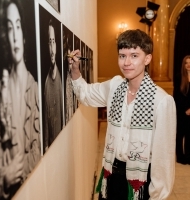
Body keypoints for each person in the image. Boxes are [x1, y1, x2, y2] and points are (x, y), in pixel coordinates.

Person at [69, 29, 176, 200]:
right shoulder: (115, 87)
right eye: (122, 56)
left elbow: (164, 158)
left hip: (140, 182)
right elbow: (87, 94)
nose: (127, 62)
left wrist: (157, 195)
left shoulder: (161, 100)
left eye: (134, 55)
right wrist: (75, 71)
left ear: (147, 58)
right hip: (112, 174)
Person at [0, 0, 41, 199]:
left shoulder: (34, 87)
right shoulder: (0, 97)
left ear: (23, 34)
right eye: (9, 28)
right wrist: (4, 177)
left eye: (18, 26)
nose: (14, 36)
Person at [44, 18, 63, 152]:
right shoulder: (45, 82)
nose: (51, 48)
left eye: (53, 42)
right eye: (49, 43)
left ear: (56, 45)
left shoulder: (60, 77)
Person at [174, 55, 190, 164]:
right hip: (181, 111)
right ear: (183, 65)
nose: (188, 65)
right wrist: (185, 109)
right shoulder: (179, 77)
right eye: (186, 63)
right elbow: (177, 96)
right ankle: (180, 157)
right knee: (179, 135)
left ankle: (189, 157)